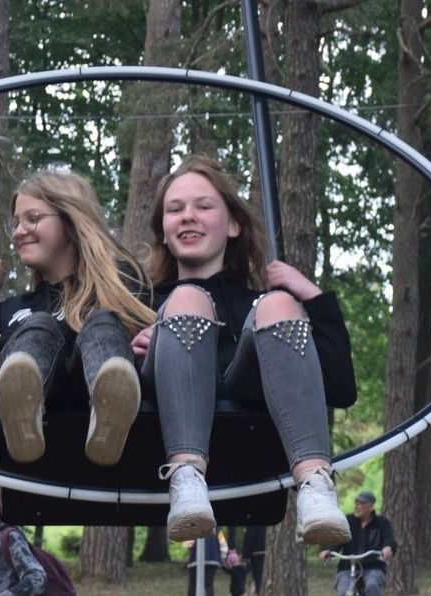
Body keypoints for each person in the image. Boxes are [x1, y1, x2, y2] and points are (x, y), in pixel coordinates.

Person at [133, 156, 355, 545]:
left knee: (277, 306)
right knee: (187, 300)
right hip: (159, 440)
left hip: (250, 428)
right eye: (175, 209)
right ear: (163, 232)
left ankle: (315, 486)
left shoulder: (261, 306)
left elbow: (339, 388)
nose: (188, 217)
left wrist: (313, 299)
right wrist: (145, 350)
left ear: (233, 225)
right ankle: (186, 478)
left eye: (203, 207)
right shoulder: (139, 304)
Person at [0, 166, 157, 471]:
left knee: (101, 324)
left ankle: (109, 416)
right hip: (24, 438)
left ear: (70, 220)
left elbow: (94, 342)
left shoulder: (119, 284)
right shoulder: (14, 311)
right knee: (38, 326)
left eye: (33, 218)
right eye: (15, 223)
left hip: (95, 428)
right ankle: (22, 420)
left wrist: (1, 344)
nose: (18, 231)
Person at [320, 490, 396, 596]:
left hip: (373, 567)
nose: (357, 506)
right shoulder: (347, 522)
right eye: (356, 503)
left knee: (372, 586)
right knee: (342, 594)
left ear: (370, 506)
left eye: (361, 503)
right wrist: (327, 550)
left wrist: (388, 548)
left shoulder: (382, 523)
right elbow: (336, 541)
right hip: (348, 568)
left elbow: (390, 540)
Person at [180, 531, 224, 596]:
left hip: (196, 559)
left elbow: (188, 544)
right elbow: (223, 544)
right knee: (209, 584)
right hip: (213, 558)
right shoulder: (215, 526)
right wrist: (221, 557)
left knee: (192, 584)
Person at [227, 524, 266, 596]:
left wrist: (245, 555)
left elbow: (250, 536)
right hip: (268, 551)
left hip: (257, 553)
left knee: (259, 581)